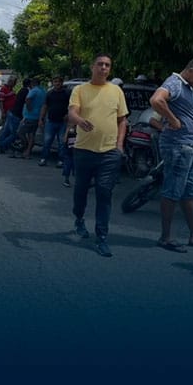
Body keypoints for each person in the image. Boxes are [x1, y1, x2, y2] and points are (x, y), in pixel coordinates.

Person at [149, 57, 193, 253]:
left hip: (189, 147)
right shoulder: (175, 83)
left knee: (188, 192)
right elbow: (156, 100)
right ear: (192, 69)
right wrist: (172, 120)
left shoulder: (186, 87)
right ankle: (166, 237)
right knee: (172, 190)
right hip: (178, 146)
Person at [68, 53, 128, 257]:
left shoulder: (116, 91)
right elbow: (72, 112)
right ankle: (79, 219)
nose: (104, 68)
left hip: (109, 153)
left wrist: (119, 145)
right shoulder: (80, 90)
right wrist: (79, 120)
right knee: (81, 191)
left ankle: (101, 237)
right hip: (84, 151)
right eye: (100, 64)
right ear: (92, 67)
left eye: (107, 65)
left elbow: (122, 120)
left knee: (104, 193)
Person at [38, 76, 70, 167]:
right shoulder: (49, 93)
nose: (57, 83)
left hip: (62, 122)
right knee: (47, 141)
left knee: (61, 142)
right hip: (51, 121)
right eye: (55, 82)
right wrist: (41, 119)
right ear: (53, 83)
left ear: (62, 83)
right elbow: (45, 106)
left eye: (59, 82)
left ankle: (61, 160)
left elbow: (72, 105)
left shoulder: (67, 93)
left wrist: (68, 114)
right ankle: (43, 159)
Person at [16, 77, 46, 159]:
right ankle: (28, 152)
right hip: (37, 116)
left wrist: (29, 108)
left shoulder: (34, 90)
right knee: (31, 135)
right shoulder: (43, 91)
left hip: (30, 116)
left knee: (20, 132)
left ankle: (24, 146)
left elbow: (28, 98)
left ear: (32, 83)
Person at [7, 78, 32, 158]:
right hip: (17, 114)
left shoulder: (22, 90)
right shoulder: (26, 91)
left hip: (13, 112)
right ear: (29, 84)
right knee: (16, 134)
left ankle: (7, 147)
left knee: (12, 133)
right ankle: (4, 146)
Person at [0, 76, 19, 154]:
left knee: (7, 130)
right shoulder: (4, 89)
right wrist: (3, 112)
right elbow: (1, 101)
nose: (14, 84)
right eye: (13, 82)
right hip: (7, 112)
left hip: (12, 111)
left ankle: (3, 146)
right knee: (5, 130)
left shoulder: (11, 89)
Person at [61, 123, 77, 187]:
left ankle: (68, 179)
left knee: (72, 162)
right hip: (71, 146)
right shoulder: (70, 127)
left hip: (74, 145)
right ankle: (67, 179)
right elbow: (65, 139)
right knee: (69, 162)